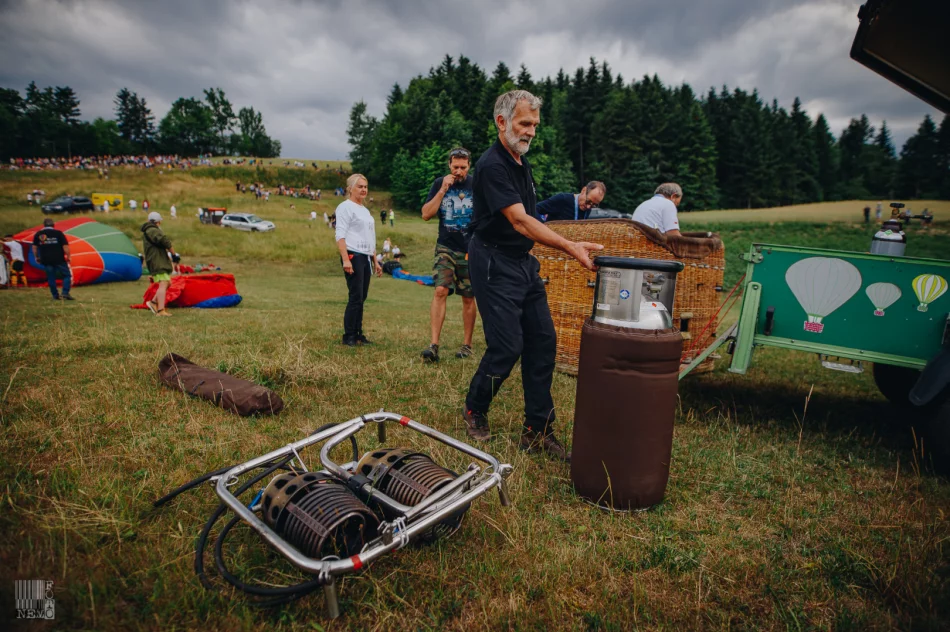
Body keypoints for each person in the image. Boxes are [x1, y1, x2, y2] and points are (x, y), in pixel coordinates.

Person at [462, 89, 603, 462]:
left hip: (522, 262)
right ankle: (475, 408)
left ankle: (537, 431)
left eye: (535, 125)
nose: (531, 132)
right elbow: (520, 221)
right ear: (502, 122)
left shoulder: (521, 162)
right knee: (507, 346)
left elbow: (532, 215)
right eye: (525, 123)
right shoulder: (491, 165)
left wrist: (562, 236)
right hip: (492, 260)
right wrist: (570, 246)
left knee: (542, 342)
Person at [419, 147, 477, 362]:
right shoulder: (439, 184)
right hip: (446, 246)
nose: (459, 171)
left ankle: (467, 345)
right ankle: (434, 345)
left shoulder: (476, 185)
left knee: (469, 298)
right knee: (441, 290)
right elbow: (426, 214)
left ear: (469, 166)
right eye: (455, 167)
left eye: (463, 167)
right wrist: (443, 189)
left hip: (471, 249)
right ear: (449, 166)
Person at [335, 173, 383, 346]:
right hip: (352, 254)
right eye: (360, 186)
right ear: (350, 189)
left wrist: (375, 261)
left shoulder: (365, 210)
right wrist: (346, 259)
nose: (363, 190)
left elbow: (370, 237)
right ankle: (348, 336)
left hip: (366, 256)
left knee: (362, 297)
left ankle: (358, 334)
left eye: (365, 186)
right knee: (355, 296)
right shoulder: (345, 207)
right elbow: (340, 235)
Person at [141, 211, 177, 317]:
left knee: (167, 283)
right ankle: (161, 310)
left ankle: (153, 302)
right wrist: (173, 254)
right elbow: (165, 241)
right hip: (157, 260)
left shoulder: (148, 230)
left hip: (155, 259)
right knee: (164, 283)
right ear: (158, 222)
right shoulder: (153, 230)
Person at [32, 218, 74, 300]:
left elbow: (34, 247)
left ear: (44, 225)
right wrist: (68, 256)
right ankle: (65, 293)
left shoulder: (38, 234)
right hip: (59, 258)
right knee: (66, 275)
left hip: (46, 259)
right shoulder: (58, 233)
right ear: (53, 225)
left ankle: (55, 295)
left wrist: (37, 257)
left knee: (51, 277)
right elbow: (65, 246)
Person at [537, 182, 606, 222]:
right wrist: (543, 227)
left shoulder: (588, 209)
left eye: (594, 205)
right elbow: (534, 210)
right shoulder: (562, 199)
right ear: (583, 190)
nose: (588, 207)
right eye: (588, 201)